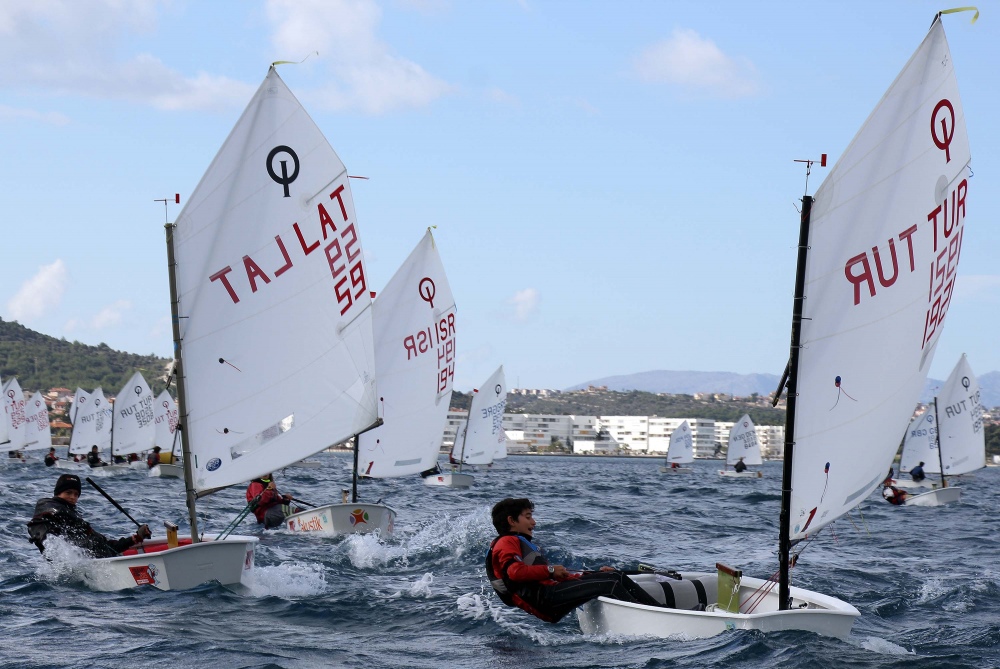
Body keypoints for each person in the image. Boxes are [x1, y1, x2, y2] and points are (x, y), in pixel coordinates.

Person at [486, 497, 665, 623]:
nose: (534, 522)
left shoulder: (517, 542)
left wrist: (590, 575)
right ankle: (654, 618)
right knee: (610, 585)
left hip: (549, 591)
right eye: (528, 517)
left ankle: (659, 610)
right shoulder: (506, 542)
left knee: (614, 576)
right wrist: (550, 570)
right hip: (544, 599)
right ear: (511, 521)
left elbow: (545, 576)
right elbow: (514, 572)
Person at [26, 474, 152, 558]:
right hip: (75, 568)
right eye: (68, 493)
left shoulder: (75, 519)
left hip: (97, 559)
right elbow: (50, 514)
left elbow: (105, 544)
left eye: (76, 494)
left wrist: (136, 537)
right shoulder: (46, 505)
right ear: (58, 493)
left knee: (104, 544)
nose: (72, 497)